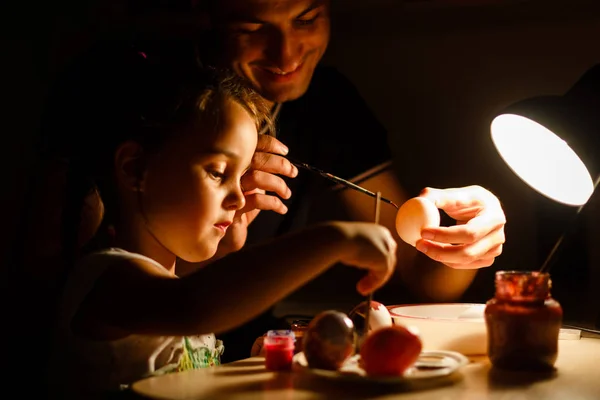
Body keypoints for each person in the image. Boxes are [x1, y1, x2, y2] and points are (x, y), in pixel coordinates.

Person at [46, 45, 397, 398]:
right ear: (134, 168)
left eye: (242, 175)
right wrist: (331, 239)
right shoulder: (105, 280)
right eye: (217, 172)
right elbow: (190, 306)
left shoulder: (168, 284)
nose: (240, 198)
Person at [165, 0, 506, 360]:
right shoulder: (161, 104)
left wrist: (463, 238)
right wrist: (333, 242)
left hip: (247, 348)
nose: (285, 54)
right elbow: (133, 293)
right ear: (207, 18)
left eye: (305, 19)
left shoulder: (327, 105)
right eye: (251, 29)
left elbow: (417, 266)